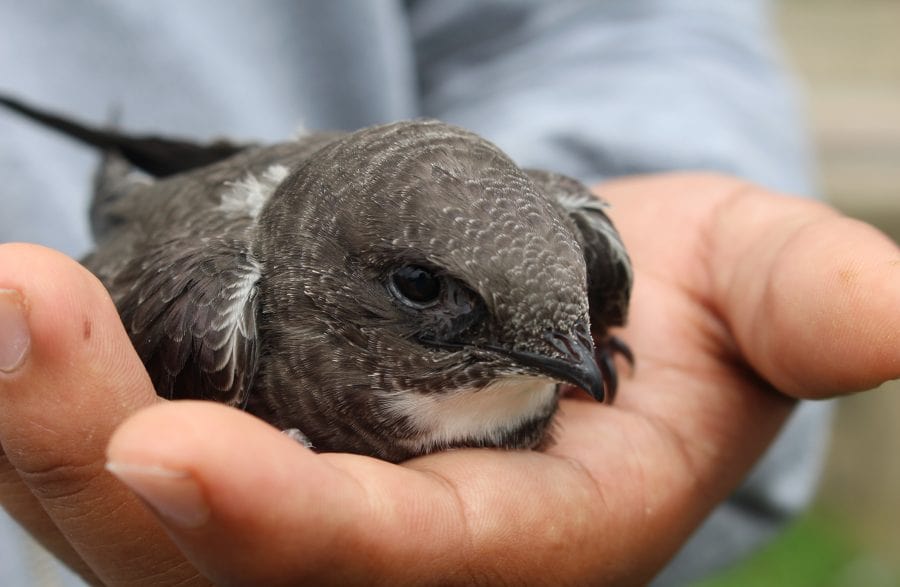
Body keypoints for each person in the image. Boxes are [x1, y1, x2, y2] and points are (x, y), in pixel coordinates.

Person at [0, 2, 896, 585]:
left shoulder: (579, 245)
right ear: (357, 285)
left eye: (578, 321)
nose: (582, 368)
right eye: (433, 295)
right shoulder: (227, 302)